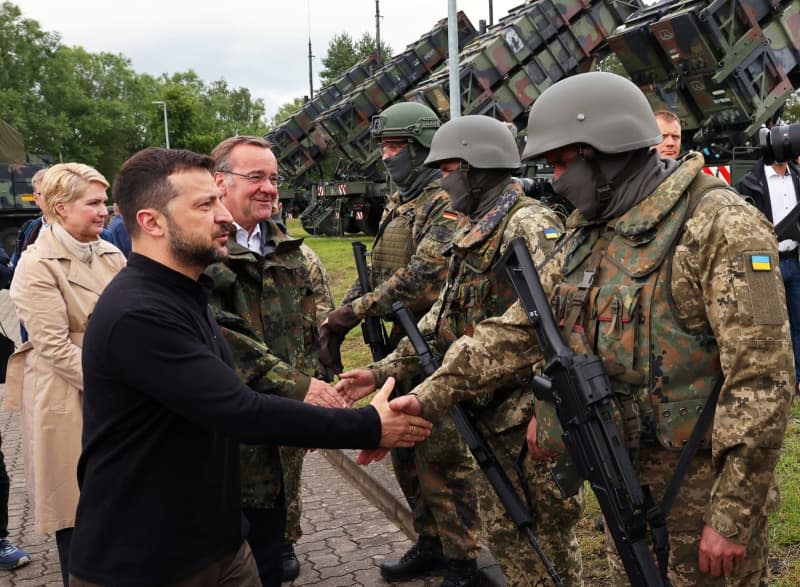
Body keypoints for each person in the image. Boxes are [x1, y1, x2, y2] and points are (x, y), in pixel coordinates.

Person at [390, 72, 794, 587]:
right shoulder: (591, 228)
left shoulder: (721, 225)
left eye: (562, 163)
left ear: (606, 152)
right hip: (621, 478)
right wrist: (427, 396)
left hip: (704, 495)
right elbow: (520, 329)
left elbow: (763, 380)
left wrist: (733, 516)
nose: (555, 179)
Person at [67, 147, 432, 586]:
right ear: (152, 222)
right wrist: (367, 425)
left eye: (219, 200)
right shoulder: (139, 314)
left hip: (219, 545)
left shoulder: (184, 292)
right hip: (147, 562)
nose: (224, 216)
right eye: (205, 204)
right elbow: (240, 410)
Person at [338, 115, 583, 586]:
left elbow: (562, 329)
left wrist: (546, 409)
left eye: (449, 170)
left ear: (478, 167)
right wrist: (379, 371)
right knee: (511, 542)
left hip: (525, 421)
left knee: (546, 547)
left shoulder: (527, 225)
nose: (443, 181)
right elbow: (441, 323)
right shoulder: (475, 228)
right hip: (491, 414)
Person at [321, 103, 483, 585]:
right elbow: (379, 272)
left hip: (435, 341)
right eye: (384, 148)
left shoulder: (444, 200)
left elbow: (423, 277)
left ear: (420, 149)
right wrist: (341, 318)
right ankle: (430, 542)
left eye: (394, 147)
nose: (386, 157)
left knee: (443, 452)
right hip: (399, 344)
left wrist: (352, 311)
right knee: (404, 448)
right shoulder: (400, 201)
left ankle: (463, 557)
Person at [205, 135, 333, 584]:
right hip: (228, 436)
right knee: (233, 552)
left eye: (274, 178)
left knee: (273, 539)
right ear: (220, 183)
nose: (269, 188)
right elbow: (222, 339)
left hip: (283, 426)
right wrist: (304, 391)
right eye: (255, 176)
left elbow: (307, 332)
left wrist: (315, 394)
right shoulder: (203, 251)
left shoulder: (289, 251)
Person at [3, 163, 126, 585]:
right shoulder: (36, 265)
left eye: (104, 202)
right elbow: (55, 347)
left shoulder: (110, 253)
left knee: (125, 505)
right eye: (93, 203)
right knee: (79, 513)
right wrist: (121, 388)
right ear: (59, 208)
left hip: (118, 390)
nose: (104, 211)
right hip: (69, 397)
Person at [736, 154, 800, 393]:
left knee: (798, 323)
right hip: (763, 262)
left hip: (794, 261)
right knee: (767, 325)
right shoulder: (750, 182)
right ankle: (772, 380)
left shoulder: (796, 176)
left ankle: (798, 377)